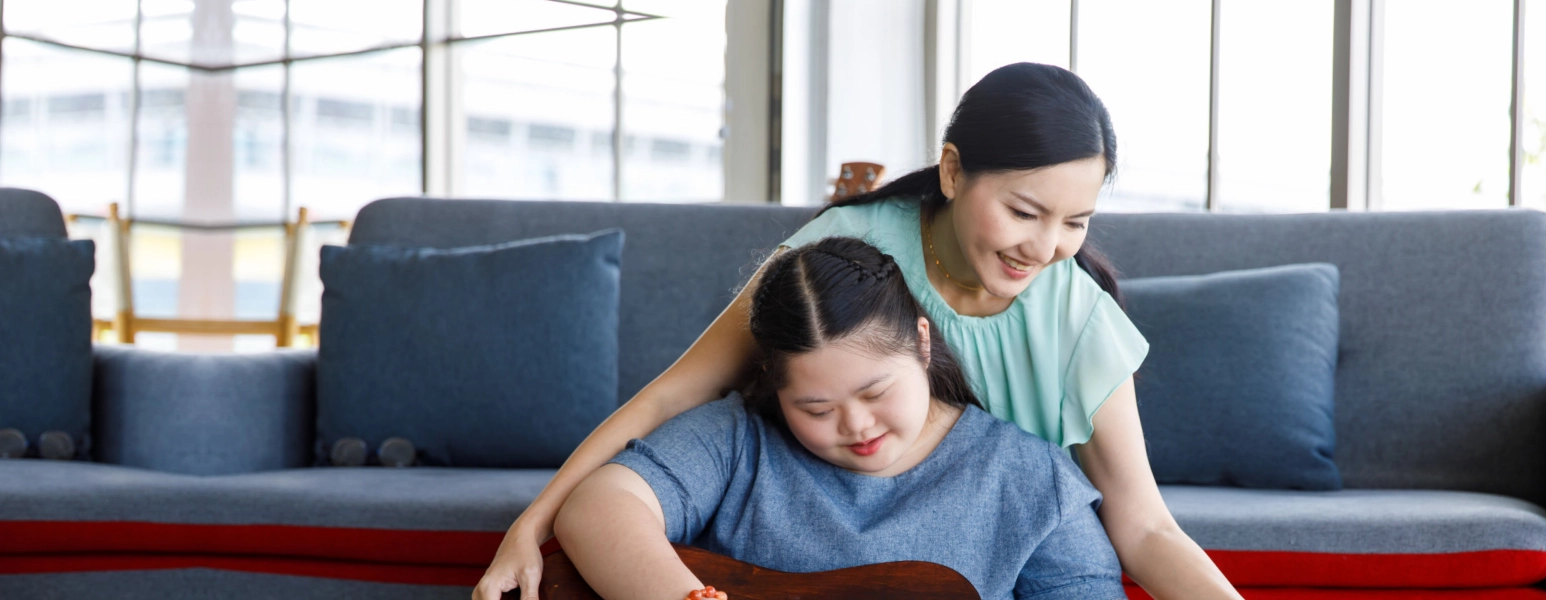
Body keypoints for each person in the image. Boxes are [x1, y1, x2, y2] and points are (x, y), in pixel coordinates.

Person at [474, 62, 1239, 600]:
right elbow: (676, 396)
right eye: (1023, 211)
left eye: (1075, 222)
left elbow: (1143, 528)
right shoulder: (842, 253)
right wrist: (534, 520)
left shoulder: (1077, 322)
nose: (1042, 248)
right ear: (951, 172)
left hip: (980, 538)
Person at [554, 237, 1125, 600]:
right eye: (816, 409)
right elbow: (599, 505)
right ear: (776, 391)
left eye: (876, 391)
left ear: (922, 345)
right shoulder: (737, 441)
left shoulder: (1029, 477)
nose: (856, 426)